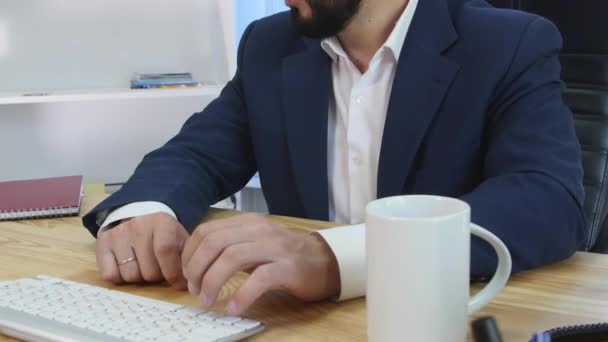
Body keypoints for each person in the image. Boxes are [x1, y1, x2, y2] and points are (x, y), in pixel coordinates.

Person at [83, 0, 587, 315]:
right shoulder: (270, 45)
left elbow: (548, 198)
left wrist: (335, 258)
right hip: (306, 326)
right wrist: (146, 210)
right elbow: (197, 154)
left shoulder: (507, 43)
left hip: (446, 318)